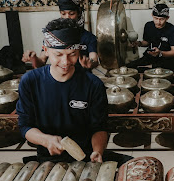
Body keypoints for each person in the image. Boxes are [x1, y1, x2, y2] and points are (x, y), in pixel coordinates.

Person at [16, 18, 132, 165]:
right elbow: (25, 126)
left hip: (87, 156)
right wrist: (47, 140)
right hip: (50, 158)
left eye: (72, 54)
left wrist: (98, 151)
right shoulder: (31, 82)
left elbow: (100, 128)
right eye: (58, 55)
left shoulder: (93, 84)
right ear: (46, 50)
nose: (65, 62)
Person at [22, 0, 98, 70]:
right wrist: (34, 58)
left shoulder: (88, 37)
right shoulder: (53, 35)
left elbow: (94, 59)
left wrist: (90, 63)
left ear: (78, 13)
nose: (67, 17)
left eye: (71, 14)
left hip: (81, 77)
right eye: (63, 14)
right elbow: (41, 62)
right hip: (59, 77)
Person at [126, 3, 174, 71]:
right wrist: (138, 43)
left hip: (166, 59)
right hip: (150, 56)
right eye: (156, 18)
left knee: (172, 66)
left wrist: (160, 53)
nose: (158, 22)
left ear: (167, 18)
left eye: (161, 19)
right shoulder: (148, 26)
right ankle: (149, 67)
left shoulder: (172, 30)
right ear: (152, 15)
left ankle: (149, 67)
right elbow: (147, 42)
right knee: (128, 67)